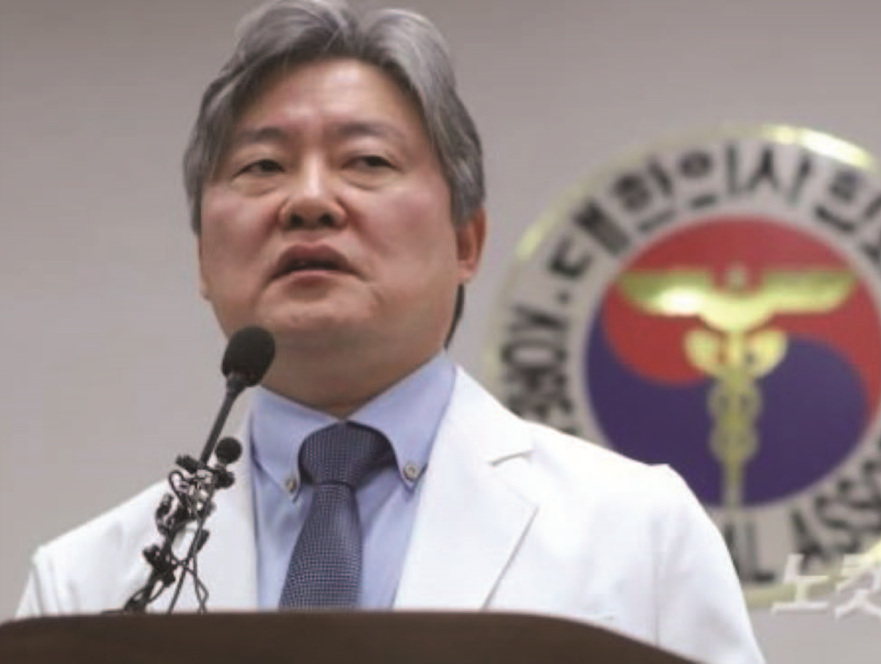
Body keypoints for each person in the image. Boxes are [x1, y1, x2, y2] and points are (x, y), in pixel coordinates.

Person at [16, 1, 764, 662]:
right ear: (204, 259)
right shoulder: (86, 587)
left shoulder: (639, 531)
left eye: (367, 161)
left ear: (466, 241)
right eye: (262, 166)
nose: (309, 200)